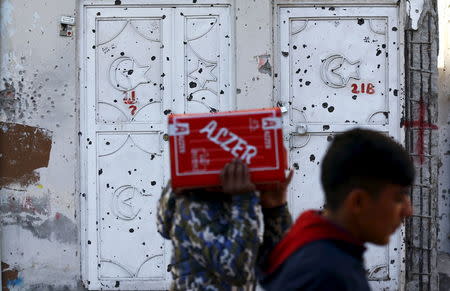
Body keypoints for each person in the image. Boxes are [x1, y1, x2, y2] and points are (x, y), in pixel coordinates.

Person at [258, 128, 415, 291]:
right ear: (358, 202)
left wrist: (275, 209)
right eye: (398, 198)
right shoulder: (334, 276)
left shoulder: (305, 239)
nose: (408, 211)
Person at [157, 159, 293, 291]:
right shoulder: (194, 203)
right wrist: (244, 201)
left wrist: (275, 210)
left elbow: (281, 269)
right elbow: (235, 270)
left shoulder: (241, 197)